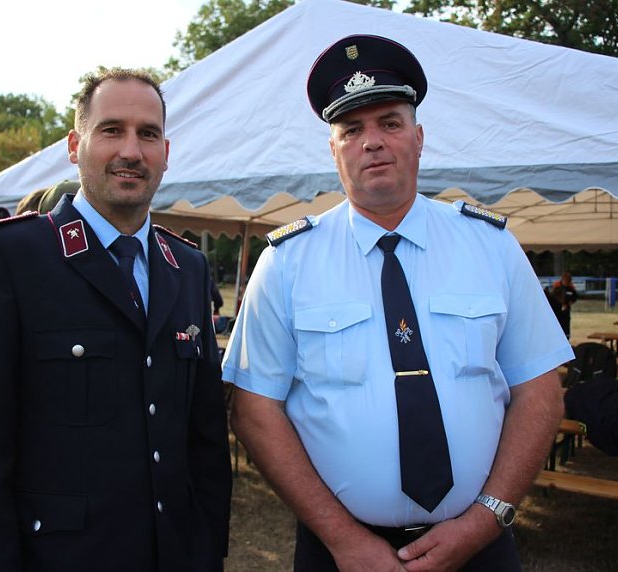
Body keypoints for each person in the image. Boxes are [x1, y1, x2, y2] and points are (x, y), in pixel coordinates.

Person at [222, 35, 572, 572]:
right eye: (351, 130)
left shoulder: (490, 245)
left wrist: (485, 520)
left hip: (480, 545)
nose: (373, 142)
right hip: (339, 552)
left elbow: (540, 390)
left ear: (419, 137)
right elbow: (254, 409)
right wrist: (342, 539)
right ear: (333, 149)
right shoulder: (288, 262)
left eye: (390, 122)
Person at [0, 68, 232, 571]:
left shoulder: (187, 267)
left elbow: (204, 441)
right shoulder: (7, 257)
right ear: (75, 145)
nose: (131, 151)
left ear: (166, 151)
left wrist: (206, 551)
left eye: (148, 134)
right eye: (111, 130)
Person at [551, 271, 578, 339]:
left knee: (566, 326)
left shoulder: (571, 287)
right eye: (566, 281)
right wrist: (560, 305)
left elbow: (575, 297)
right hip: (557, 310)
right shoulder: (556, 286)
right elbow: (552, 298)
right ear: (562, 280)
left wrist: (570, 302)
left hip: (566, 311)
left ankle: (567, 338)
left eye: (568, 282)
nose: (567, 283)